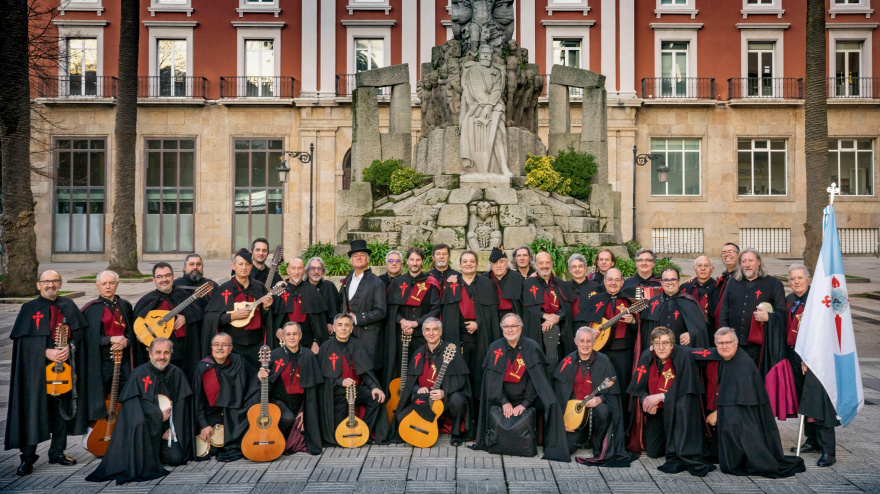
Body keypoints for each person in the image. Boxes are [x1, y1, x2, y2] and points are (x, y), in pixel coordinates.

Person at [5, 270, 90, 476]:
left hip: (64, 368)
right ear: (38, 285)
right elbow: (23, 342)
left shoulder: (69, 306)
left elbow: (80, 336)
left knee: (62, 408)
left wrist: (69, 348)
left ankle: (57, 452)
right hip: (36, 373)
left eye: (54, 281)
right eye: (46, 281)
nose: (50, 285)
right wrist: (46, 351)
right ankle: (27, 458)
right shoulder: (29, 308)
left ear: (60, 283)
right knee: (33, 410)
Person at [85, 338, 194, 483]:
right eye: (158, 352)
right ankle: (147, 456)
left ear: (171, 354)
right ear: (150, 353)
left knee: (176, 458)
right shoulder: (138, 374)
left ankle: (152, 456)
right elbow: (132, 410)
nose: (162, 357)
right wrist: (157, 416)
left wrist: (174, 428)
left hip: (165, 431)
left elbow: (182, 406)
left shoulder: (177, 373)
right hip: (144, 433)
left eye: (166, 353)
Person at [701, 328, 806, 477]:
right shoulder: (729, 358)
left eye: (728, 342)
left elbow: (740, 403)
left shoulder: (743, 364)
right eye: (720, 343)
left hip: (748, 419)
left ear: (736, 342)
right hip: (738, 411)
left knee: (730, 420)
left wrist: (718, 414)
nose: (724, 346)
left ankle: (738, 458)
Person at [471, 313, 569, 462]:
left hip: (528, 398)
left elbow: (536, 380)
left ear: (521, 328)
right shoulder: (495, 347)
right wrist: (504, 402)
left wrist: (524, 404)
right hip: (502, 398)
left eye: (514, 326)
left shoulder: (532, 347)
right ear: (502, 328)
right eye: (506, 326)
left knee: (551, 402)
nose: (510, 330)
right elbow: (492, 381)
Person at [627, 327, 714, 477]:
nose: (661, 347)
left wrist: (661, 396)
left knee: (681, 407)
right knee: (653, 451)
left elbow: (686, 387)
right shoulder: (647, 356)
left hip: (679, 411)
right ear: (652, 345)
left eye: (665, 343)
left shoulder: (683, 356)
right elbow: (638, 387)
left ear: (672, 344)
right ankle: (670, 440)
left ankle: (676, 443)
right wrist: (646, 401)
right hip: (659, 411)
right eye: (657, 343)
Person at [552, 327, 635, 466]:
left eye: (589, 341)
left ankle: (598, 445)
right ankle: (582, 438)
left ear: (594, 342)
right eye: (582, 341)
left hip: (595, 410)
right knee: (565, 448)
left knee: (604, 410)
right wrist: (561, 420)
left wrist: (600, 399)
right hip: (574, 415)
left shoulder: (604, 361)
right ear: (575, 342)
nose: (585, 345)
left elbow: (612, 392)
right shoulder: (567, 361)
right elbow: (558, 395)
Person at [390, 318, 472, 446]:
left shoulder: (451, 351)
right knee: (401, 418)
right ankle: (435, 423)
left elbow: (461, 380)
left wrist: (444, 392)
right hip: (424, 399)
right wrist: (418, 389)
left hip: (445, 398)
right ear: (423, 333)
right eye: (427, 330)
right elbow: (411, 381)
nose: (431, 333)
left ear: (440, 331)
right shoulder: (418, 353)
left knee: (458, 400)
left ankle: (456, 434)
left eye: (435, 329)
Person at [317, 314, 390, 446]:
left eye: (346, 325)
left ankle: (364, 432)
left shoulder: (357, 345)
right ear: (333, 328)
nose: (343, 328)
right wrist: (340, 381)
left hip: (355, 390)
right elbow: (321, 377)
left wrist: (374, 387)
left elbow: (365, 371)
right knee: (337, 435)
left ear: (351, 329)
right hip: (336, 394)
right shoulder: (325, 348)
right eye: (339, 325)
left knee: (376, 398)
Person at [576, 269, 641, 404]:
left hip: (623, 351)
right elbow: (582, 323)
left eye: (617, 280)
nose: (613, 283)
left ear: (622, 282)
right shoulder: (595, 299)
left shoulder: (629, 301)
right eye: (610, 279)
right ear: (604, 281)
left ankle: (621, 419)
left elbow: (640, 326)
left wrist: (633, 321)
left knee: (622, 385)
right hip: (600, 351)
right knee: (600, 384)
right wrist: (590, 330)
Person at [203, 249, 275, 368]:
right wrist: (232, 316)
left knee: (257, 377)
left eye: (247, 264)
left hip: (256, 343)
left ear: (251, 267)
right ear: (233, 266)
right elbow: (211, 318)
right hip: (233, 344)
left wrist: (266, 308)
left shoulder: (259, 287)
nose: (244, 267)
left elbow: (265, 319)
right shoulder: (225, 289)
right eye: (240, 264)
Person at [192, 332, 259, 461]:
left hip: (235, 416)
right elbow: (197, 400)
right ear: (211, 348)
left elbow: (253, 386)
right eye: (216, 345)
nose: (220, 348)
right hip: (213, 416)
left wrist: (261, 378)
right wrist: (204, 425)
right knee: (211, 450)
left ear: (231, 348)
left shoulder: (239, 362)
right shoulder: (202, 368)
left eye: (224, 345)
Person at [718, 248, 786, 373]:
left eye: (751, 261)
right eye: (744, 261)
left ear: (759, 262)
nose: (747, 265)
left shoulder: (774, 284)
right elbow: (724, 312)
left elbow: (782, 314)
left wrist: (769, 317)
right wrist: (724, 338)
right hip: (735, 344)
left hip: (760, 348)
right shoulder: (732, 282)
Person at [439, 250, 499, 391]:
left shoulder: (487, 284)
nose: (468, 264)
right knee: (461, 376)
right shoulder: (451, 285)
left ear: (477, 265)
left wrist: (479, 324)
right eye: (465, 261)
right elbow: (447, 316)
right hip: (459, 340)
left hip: (481, 339)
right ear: (460, 265)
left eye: (472, 261)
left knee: (480, 374)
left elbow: (492, 314)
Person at [80, 270, 135, 424]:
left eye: (111, 283)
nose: (108, 287)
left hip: (123, 362)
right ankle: (98, 434)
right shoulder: (90, 309)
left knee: (125, 398)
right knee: (100, 398)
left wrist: (126, 341)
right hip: (101, 363)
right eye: (104, 284)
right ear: (98, 286)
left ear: (117, 284)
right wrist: (110, 339)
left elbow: (133, 333)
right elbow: (88, 339)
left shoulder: (125, 306)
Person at [260, 322, 323, 455]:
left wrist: (304, 410)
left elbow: (312, 388)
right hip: (279, 401)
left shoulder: (308, 355)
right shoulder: (275, 355)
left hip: (301, 402)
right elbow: (265, 384)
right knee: (287, 418)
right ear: (283, 336)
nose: (292, 337)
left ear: (300, 336)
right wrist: (260, 376)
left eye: (295, 334)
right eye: (288, 334)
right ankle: (278, 442)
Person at [134, 262, 204, 379]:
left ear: (172, 277)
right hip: (157, 356)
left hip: (182, 353)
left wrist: (186, 317)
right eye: (160, 277)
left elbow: (198, 315)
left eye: (167, 275)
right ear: (154, 280)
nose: (164, 279)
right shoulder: (146, 301)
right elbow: (137, 326)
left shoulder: (184, 296)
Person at [384, 247, 441, 388]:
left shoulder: (431, 283)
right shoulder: (398, 282)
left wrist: (415, 323)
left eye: (418, 260)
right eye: (412, 259)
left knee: (420, 370)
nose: (414, 263)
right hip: (400, 334)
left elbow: (435, 310)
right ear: (407, 262)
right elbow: (391, 309)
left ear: (423, 262)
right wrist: (403, 322)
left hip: (422, 335)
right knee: (400, 370)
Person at [521, 251, 574, 368]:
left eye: (547, 262)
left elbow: (566, 307)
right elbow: (527, 308)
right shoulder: (528, 283)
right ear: (535, 265)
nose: (545, 265)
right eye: (541, 263)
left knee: (558, 362)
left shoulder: (560, 284)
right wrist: (545, 316)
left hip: (559, 329)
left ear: (551, 264)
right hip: (536, 330)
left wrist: (555, 318)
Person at [639, 267, 708, 351]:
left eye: (673, 279)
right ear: (661, 282)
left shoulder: (689, 302)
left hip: (682, 353)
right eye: (666, 280)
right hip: (659, 353)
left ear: (679, 281)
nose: (670, 283)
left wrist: (691, 334)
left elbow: (701, 329)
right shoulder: (653, 303)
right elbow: (646, 332)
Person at [341, 239, 387, 363]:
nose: (358, 257)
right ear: (350, 261)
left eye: (362, 255)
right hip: (347, 334)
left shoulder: (376, 282)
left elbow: (381, 311)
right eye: (355, 255)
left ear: (368, 260)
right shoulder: (348, 279)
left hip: (367, 337)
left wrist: (357, 319)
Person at [272, 257, 327, 354]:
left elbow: (319, 321)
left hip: (308, 342)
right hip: (284, 341)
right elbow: (271, 315)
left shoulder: (312, 290)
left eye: (300, 268)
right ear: (288, 270)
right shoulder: (280, 289)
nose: (296, 272)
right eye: (293, 268)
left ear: (304, 271)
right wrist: (276, 328)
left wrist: (316, 341)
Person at [784, 263, 810, 398]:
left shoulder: (815, 300)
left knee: (810, 393)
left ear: (808, 280)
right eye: (793, 279)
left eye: (800, 278)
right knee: (798, 392)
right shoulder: (789, 299)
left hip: (809, 353)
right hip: (792, 353)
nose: (796, 282)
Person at [680, 256, 718, 333]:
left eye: (706, 265)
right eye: (699, 265)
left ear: (712, 268)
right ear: (695, 268)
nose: (703, 268)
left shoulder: (718, 288)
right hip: (688, 332)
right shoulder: (686, 287)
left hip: (711, 333)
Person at [483, 246, 523, 320]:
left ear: (506, 262)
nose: (498, 266)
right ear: (490, 264)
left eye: (501, 262)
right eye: (495, 262)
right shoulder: (483, 279)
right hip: (491, 318)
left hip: (513, 316)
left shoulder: (517, 278)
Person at [306, 256, 339, 339]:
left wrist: (332, 323)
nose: (316, 271)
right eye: (313, 268)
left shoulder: (329, 286)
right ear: (307, 271)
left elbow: (336, 307)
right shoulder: (303, 287)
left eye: (319, 268)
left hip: (327, 332)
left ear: (323, 271)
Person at [566, 253, 601, 320]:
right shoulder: (565, 287)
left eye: (580, 266)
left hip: (590, 327)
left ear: (585, 268)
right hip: (570, 326)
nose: (577, 269)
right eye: (574, 267)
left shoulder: (596, 287)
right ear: (570, 270)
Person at [713, 242, 740, 326]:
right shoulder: (723, 278)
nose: (726, 255)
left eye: (730, 251)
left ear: (738, 255)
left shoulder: (742, 278)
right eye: (724, 252)